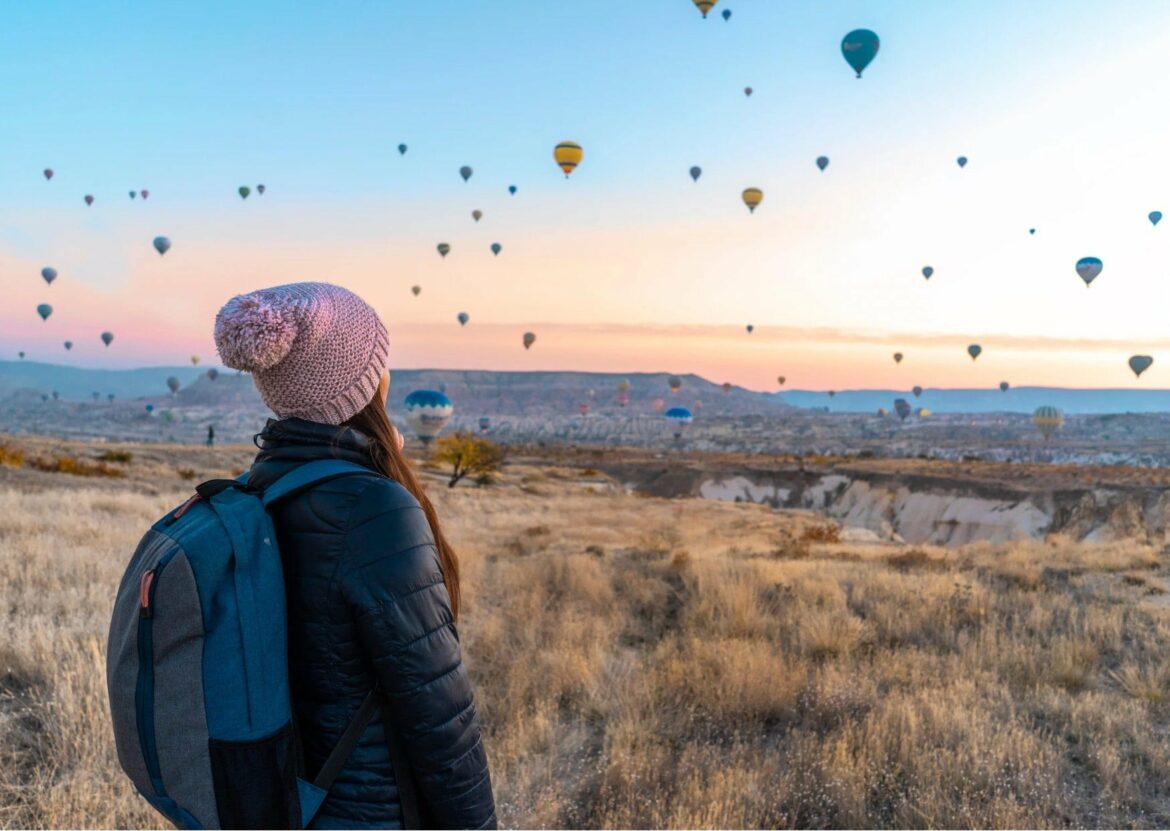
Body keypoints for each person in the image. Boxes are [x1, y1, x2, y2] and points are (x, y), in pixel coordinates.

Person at [213, 282, 496, 830]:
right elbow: (437, 711)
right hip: (371, 810)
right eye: (380, 360)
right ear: (362, 383)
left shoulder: (261, 487)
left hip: (293, 800)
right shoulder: (372, 508)